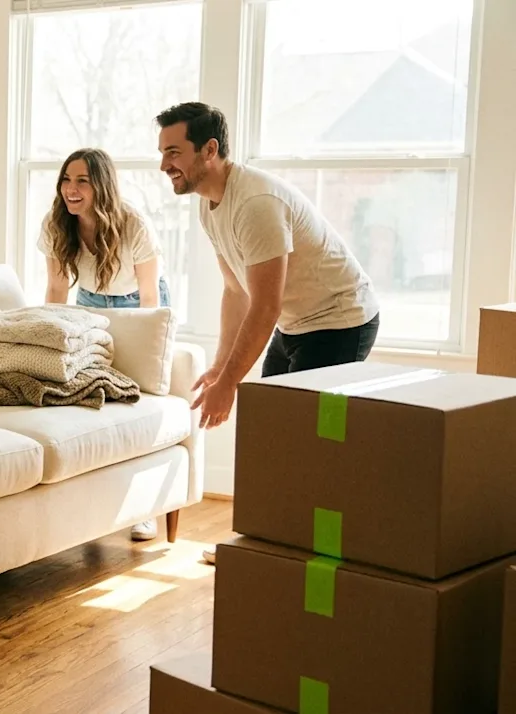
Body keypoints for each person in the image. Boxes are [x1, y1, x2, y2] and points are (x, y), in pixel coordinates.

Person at [155, 102, 380, 564]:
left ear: (209, 150)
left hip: (341, 318)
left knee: (303, 437)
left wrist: (229, 384)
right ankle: (263, 542)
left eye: (174, 152)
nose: (164, 165)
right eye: (162, 153)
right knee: (271, 433)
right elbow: (235, 293)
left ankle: (307, 550)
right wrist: (219, 367)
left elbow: (265, 304)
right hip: (296, 322)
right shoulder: (210, 206)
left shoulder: (255, 204)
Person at [38, 147, 172, 543]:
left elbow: (150, 298)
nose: (71, 190)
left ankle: (144, 510)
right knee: (92, 397)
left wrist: (147, 351)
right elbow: (56, 288)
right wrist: (50, 342)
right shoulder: (56, 224)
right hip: (91, 303)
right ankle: (100, 504)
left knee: (136, 401)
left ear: (102, 185)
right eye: (66, 179)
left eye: (82, 181)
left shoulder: (134, 225)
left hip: (137, 302)